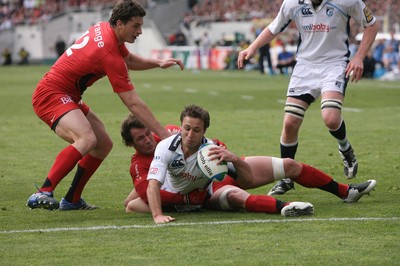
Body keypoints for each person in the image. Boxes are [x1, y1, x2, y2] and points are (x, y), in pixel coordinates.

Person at [26, 0, 184, 211]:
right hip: (52, 95)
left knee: (103, 144)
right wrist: (164, 135)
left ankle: (72, 199)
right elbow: (133, 103)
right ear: (120, 23)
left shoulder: (105, 30)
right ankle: (43, 192)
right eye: (136, 26)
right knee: (87, 138)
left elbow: (128, 60)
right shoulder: (108, 52)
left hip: (68, 94)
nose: (140, 31)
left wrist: (158, 63)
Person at [121, 106, 376, 224]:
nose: (190, 134)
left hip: (219, 177)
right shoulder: (162, 151)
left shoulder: (206, 144)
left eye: (195, 130)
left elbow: (246, 176)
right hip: (205, 193)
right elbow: (146, 189)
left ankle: (347, 191)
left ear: (204, 131)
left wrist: (232, 158)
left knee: (289, 164)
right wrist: (183, 203)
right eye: (187, 128)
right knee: (235, 197)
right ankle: (287, 208)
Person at [237, 0, 378, 195]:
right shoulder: (292, 3)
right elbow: (274, 27)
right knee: (290, 123)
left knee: (330, 118)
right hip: (305, 66)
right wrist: (252, 48)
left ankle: (345, 149)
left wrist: (359, 57)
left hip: (335, 64)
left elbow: (372, 25)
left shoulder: (347, 1)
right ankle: (286, 179)